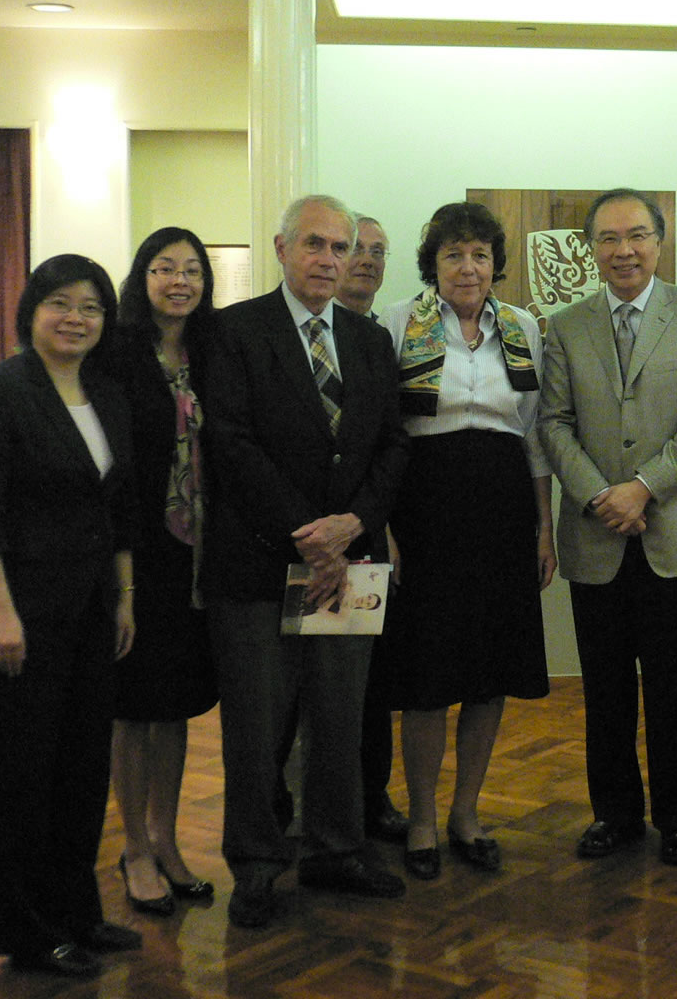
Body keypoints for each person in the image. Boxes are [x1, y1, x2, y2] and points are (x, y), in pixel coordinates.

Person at [202, 194, 409, 928]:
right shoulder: (232, 332)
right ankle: (257, 863)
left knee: (340, 718)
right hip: (260, 564)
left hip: (351, 562)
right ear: (283, 247)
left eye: (341, 247)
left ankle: (335, 850)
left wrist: (354, 524)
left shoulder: (369, 340)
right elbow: (229, 444)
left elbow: (392, 445)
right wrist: (305, 530)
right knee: (258, 727)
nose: (329, 260)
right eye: (314, 245)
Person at [0, 254, 141, 978]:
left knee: (83, 769)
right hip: (19, 616)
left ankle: (78, 914)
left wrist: (123, 600)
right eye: (60, 303)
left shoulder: (105, 393)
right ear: (32, 310)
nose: (76, 319)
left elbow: (118, 509)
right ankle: (30, 934)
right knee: (26, 775)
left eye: (91, 308)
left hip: (92, 612)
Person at [539, 187, 677, 868]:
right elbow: (554, 424)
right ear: (590, 248)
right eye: (609, 239)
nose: (624, 250)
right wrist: (600, 495)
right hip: (597, 536)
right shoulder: (563, 326)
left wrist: (643, 487)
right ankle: (614, 815)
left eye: (638, 236)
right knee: (607, 691)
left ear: (659, 240)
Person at [379, 202, 556, 880]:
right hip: (426, 509)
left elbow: (535, 432)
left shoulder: (522, 328)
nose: (468, 266)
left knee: (490, 672)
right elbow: (384, 433)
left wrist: (543, 528)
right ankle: (421, 818)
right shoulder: (399, 322)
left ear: (494, 265)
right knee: (427, 675)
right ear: (434, 263)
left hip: (504, 508)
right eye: (454, 253)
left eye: (480, 254)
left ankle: (466, 813)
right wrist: (386, 529)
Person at [109, 228, 220, 916]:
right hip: (137, 554)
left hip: (201, 556)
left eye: (191, 270)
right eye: (162, 268)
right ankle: (133, 848)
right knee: (132, 705)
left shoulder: (212, 351)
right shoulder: (117, 353)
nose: (178, 280)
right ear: (141, 278)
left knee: (175, 702)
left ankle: (167, 839)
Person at [329, 212, 409, 845]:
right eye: (357, 248)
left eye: (380, 251)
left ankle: (370, 800)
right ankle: (307, 811)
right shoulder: (303, 337)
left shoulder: (379, 340)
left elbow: (392, 444)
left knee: (369, 680)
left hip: (365, 541)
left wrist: (374, 527)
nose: (369, 260)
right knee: (310, 690)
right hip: (300, 540)